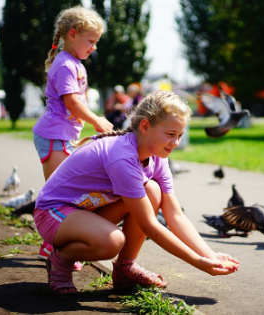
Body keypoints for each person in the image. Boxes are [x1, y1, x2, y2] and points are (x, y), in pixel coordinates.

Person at [34, 90, 240, 295]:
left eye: (179, 136)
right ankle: (61, 259)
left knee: (151, 190)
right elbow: (150, 225)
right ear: (145, 126)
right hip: (53, 214)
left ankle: (125, 269)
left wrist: (209, 255)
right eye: (170, 134)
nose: (175, 143)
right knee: (111, 242)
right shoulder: (123, 157)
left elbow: (175, 214)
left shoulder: (158, 156)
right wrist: (198, 262)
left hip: (86, 212)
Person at [32, 6, 113, 266]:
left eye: (96, 42)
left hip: (61, 136)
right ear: (73, 34)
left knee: (65, 192)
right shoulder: (65, 64)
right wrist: (97, 120)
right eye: (91, 41)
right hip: (53, 137)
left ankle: (58, 243)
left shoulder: (73, 63)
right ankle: (53, 246)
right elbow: (72, 104)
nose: (94, 47)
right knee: (59, 196)